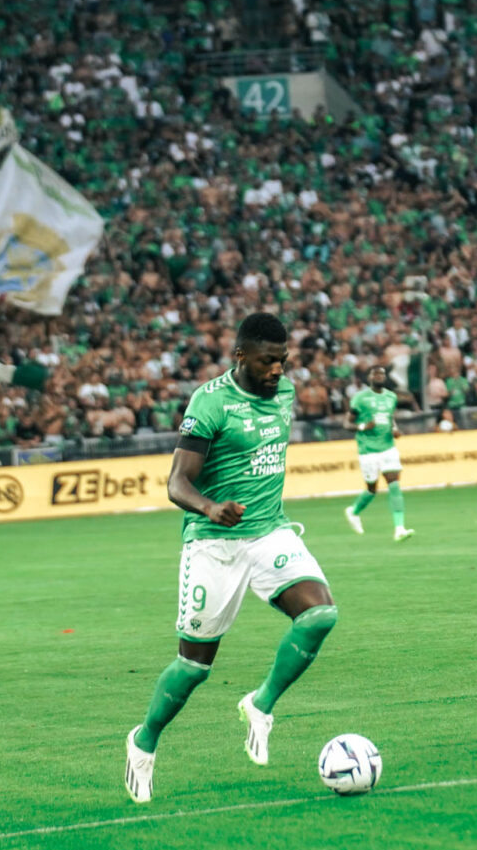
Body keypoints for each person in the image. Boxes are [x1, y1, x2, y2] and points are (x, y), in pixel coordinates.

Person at [124, 313, 339, 803]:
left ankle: (260, 704)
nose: (277, 370)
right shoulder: (211, 402)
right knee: (194, 667)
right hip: (214, 543)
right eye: (267, 361)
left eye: (282, 361)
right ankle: (144, 740)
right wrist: (209, 507)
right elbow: (177, 482)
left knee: (320, 615)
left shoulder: (284, 393)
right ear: (240, 356)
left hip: (269, 532)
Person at [343, 365, 414, 542]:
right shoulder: (360, 398)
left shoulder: (391, 397)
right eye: (375, 373)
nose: (379, 376)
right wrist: (363, 426)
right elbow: (347, 423)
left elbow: (390, 418)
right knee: (372, 489)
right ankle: (354, 511)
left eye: (382, 373)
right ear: (369, 377)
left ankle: (399, 528)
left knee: (394, 485)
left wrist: (395, 429)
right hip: (368, 450)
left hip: (388, 447)